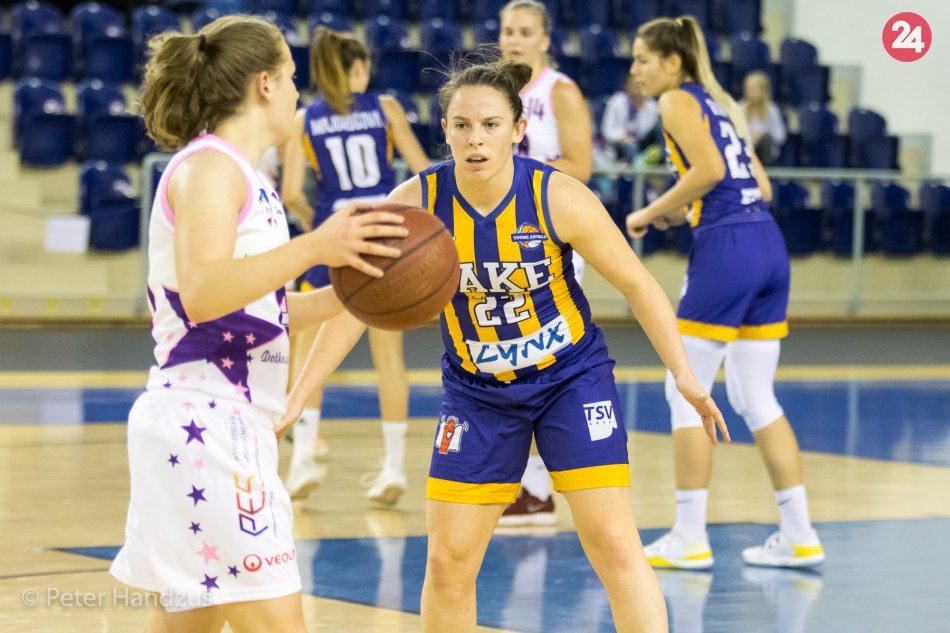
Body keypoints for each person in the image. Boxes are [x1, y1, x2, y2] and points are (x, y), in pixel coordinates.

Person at [280, 56, 731, 633]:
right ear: (444, 130)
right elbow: (354, 307)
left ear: (518, 129)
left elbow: (638, 284)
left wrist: (684, 373)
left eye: (491, 125)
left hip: (569, 379)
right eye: (462, 125)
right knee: (447, 564)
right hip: (477, 393)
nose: (476, 138)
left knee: (615, 543)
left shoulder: (557, 196)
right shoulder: (413, 204)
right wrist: (298, 397)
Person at [108, 16, 408, 631]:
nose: (299, 90)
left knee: (187, 625)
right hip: (207, 427)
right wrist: (314, 246)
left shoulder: (246, 179)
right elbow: (203, 293)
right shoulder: (210, 169)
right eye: (293, 76)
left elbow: (256, 312)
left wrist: (353, 292)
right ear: (265, 84)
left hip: (212, 426)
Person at [625, 16, 824, 569]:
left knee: (685, 390)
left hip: (727, 248)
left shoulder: (675, 101)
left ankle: (690, 537)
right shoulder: (723, 104)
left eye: (643, 59)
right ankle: (800, 534)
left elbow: (710, 170)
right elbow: (759, 186)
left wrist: (647, 211)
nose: (635, 70)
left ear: (672, 63)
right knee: (757, 397)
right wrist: (684, 208)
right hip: (766, 242)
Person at [280, 27, 430, 505]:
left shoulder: (304, 118)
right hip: (384, 235)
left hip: (333, 234)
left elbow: (290, 193)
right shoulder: (385, 109)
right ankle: (393, 467)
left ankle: (303, 459)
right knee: (389, 357)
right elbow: (425, 173)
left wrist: (315, 223)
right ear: (360, 67)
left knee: (308, 351)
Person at [498, 0, 593, 526]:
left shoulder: (560, 91)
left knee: (544, 360)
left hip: (547, 235)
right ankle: (527, 480)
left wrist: (519, 171)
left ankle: (538, 484)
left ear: (544, 40)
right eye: (507, 30)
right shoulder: (495, 90)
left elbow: (582, 165)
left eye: (524, 31)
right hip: (500, 238)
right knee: (510, 356)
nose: (514, 39)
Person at [600, 73, 660, 164]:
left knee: (659, 129)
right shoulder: (616, 101)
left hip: (642, 144)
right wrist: (622, 138)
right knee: (630, 148)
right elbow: (607, 131)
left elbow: (650, 133)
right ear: (627, 87)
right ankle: (636, 165)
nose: (637, 90)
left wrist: (642, 109)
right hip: (621, 143)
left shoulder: (652, 106)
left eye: (641, 86)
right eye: (634, 86)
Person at [740, 70, 786, 166]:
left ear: (763, 90)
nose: (749, 93)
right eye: (747, 89)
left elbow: (781, 136)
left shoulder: (772, 110)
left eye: (753, 89)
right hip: (746, 148)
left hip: (765, 153)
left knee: (765, 139)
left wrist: (761, 135)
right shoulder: (740, 108)